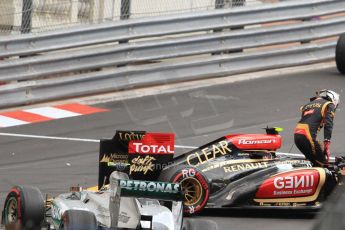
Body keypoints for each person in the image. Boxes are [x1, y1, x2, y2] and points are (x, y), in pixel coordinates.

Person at [294, 89, 340, 167]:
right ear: (333, 99)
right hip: (307, 137)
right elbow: (328, 124)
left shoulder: (308, 105)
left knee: (314, 162)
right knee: (324, 166)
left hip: (297, 135)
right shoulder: (329, 104)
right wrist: (327, 142)